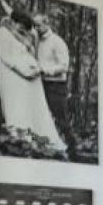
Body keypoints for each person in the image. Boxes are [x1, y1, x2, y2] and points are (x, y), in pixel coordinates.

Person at [0, 8, 64, 153]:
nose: (23, 30)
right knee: (19, 107)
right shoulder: (2, 33)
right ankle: (23, 139)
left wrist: (34, 68)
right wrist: (25, 72)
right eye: (21, 27)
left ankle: (41, 140)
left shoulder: (25, 35)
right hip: (15, 75)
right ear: (13, 22)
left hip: (31, 76)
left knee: (36, 109)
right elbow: (5, 56)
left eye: (25, 28)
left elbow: (30, 52)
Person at [33, 11, 72, 150]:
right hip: (41, 84)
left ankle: (73, 149)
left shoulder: (57, 42)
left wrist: (45, 70)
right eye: (34, 25)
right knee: (43, 117)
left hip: (56, 86)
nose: (36, 28)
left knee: (61, 119)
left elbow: (64, 66)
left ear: (46, 24)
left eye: (38, 25)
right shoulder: (37, 41)